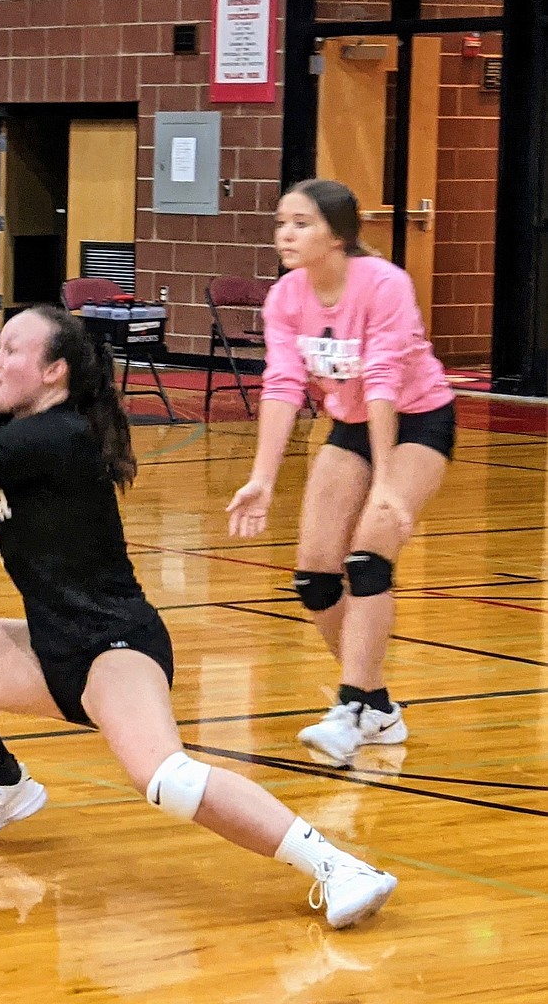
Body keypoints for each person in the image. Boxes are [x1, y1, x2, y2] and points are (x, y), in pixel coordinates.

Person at [0, 304, 399, 931]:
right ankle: (3, 787)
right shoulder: (1, 417)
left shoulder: (57, 435)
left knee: (165, 778)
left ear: (54, 372)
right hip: (52, 646)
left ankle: (340, 867)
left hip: (114, 646)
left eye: (15, 350)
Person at [227, 179, 455, 768]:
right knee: (316, 579)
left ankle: (351, 706)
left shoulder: (385, 284)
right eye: (282, 221)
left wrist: (384, 482)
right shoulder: (286, 297)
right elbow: (281, 386)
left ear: (337, 234)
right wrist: (263, 478)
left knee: (368, 560)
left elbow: (383, 380)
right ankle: (377, 704)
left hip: (417, 420)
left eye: (301, 223)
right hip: (350, 424)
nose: (286, 233)